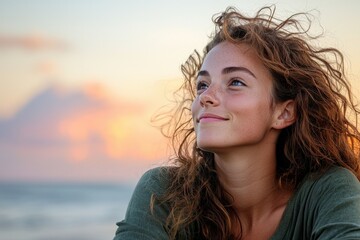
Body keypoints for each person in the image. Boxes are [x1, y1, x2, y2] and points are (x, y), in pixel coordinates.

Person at [113, 5, 360, 240]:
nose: (206, 97)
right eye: (202, 84)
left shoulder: (328, 191)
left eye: (235, 82)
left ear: (284, 113)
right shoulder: (164, 192)